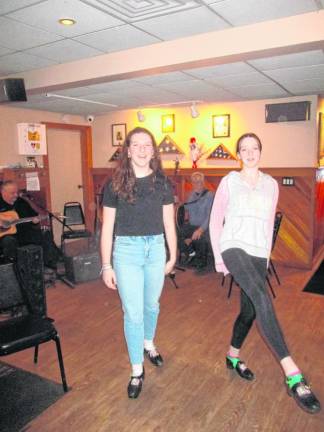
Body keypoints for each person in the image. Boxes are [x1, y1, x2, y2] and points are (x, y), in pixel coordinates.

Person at [209, 133, 320, 414]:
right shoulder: (229, 182)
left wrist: (267, 257)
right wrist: (220, 259)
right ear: (237, 154)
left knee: (250, 310)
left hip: (258, 252)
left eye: (254, 148)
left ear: (261, 151)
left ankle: (232, 356)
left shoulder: (271, 185)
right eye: (243, 149)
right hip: (233, 245)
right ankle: (293, 373)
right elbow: (215, 220)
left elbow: (269, 222)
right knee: (261, 295)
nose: (249, 153)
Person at [101, 127, 177, 399]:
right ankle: (136, 370)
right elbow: (107, 227)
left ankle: (149, 343)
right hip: (126, 252)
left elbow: (169, 222)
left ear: (153, 150)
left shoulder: (163, 183)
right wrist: (106, 265)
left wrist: (173, 254)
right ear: (128, 150)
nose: (143, 149)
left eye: (148, 144)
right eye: (137, 144)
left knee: (152, 305)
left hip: (156, 248)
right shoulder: (113, 184)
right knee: (132, 313)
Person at [178, 172, 214, 273]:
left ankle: (201, 262)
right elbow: (187, 207)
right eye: (194, 182)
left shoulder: (209, 195)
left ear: (203, 182)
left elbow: (209, 216)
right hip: (192, 225)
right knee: (176, 233)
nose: (197, 184)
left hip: (204, 227)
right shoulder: (191, 194)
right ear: (192, 183)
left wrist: (200, 230)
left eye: (199, 182)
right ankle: (191, 252)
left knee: (200, 238)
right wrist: (179, 204)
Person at [0, 180, 41, 261]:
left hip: (24, 233)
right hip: (5, 236)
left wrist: (35, 222)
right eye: (12, 193)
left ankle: (45, 265)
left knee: (42, 234)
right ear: (3, 192)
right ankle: (16, 269)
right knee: (9, 241)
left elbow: (33, 217)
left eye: (17, 192)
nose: (16, 195)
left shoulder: (21, 202)